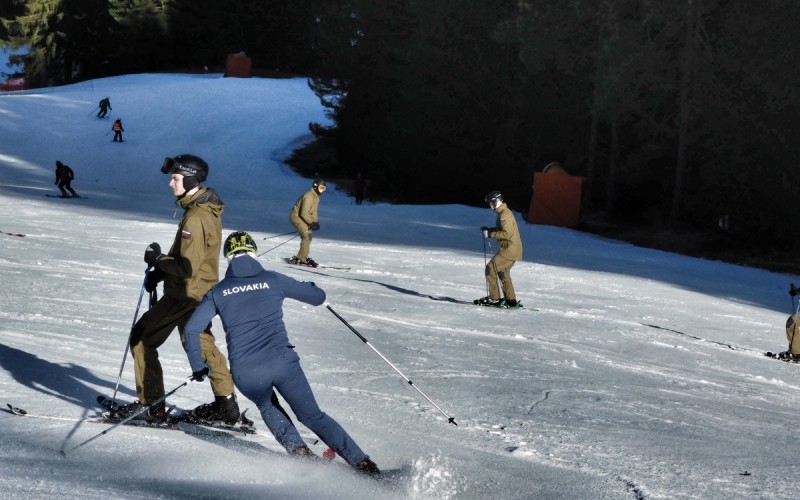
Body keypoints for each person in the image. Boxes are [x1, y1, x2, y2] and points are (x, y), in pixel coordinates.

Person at [183, 231, 381, 476]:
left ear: (228, 257)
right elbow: (318, 298)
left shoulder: (218, 292)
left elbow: (192, 329)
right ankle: (362, 463)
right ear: (253, 251)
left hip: (247, 372)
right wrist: (310, 287)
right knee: (312, 416)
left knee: (267, 405)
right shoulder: (273, 279)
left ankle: (300, 454)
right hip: (282, 363)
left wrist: (197, 366)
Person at [113, 154, 243, 424]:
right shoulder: (203, 209)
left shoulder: (196, 217)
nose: (171, 184)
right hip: (198, 291)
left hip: (185, 293)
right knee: (200, 343)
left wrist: (157, 260)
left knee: (142, 338)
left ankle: (152, 406)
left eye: (175, 178)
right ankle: (226, 405)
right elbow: (192, 258)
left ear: (191, 179)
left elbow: (186, 267)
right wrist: (161, 272)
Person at [475, 191, 523, 308]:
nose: (490, 206)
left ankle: (494, 298)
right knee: (503, 272)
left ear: (496, 202)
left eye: (491, 203)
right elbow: (501, 230)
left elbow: (507, 233)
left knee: (490, 269)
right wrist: (489, 230)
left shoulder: (504, 215)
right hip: (512, 249)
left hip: (509, 250)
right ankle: (510, 299)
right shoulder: (503, 213)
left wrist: (490, 234)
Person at [288, 178, 326, 267]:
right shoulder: (309, 196)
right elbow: (304, 213)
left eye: (324, 189)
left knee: (308, 236)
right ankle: (300, 258)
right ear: (315, 186)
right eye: (321, 188)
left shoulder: (316, 197)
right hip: (297, 217)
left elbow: (314, 212)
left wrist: (315, 222)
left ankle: (303, 257)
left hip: (303, 218)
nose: (322, 191)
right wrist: (311, 223)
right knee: (306, 235)